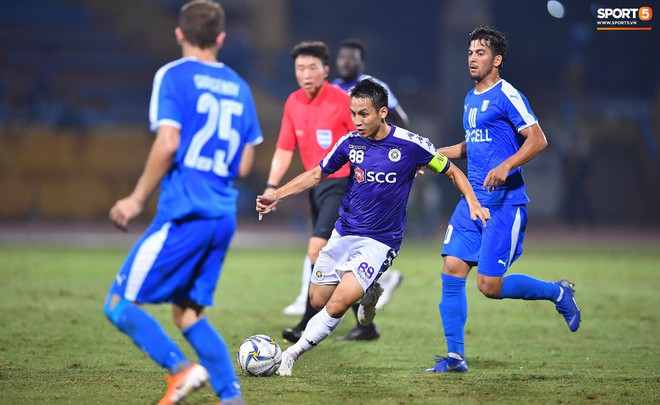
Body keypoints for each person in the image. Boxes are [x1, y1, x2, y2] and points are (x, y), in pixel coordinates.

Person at [256, 78, 490, 377]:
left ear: (382, 112)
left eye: (363, 114)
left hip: (380, 242)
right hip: (344, 233)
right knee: (317, 298)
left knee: (338, 303)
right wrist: (276, 193)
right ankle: (370, 295)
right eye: (353, 113)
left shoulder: (411, 145)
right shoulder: (349, 143)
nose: (356, 121)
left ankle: (291, 354)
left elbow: (452, 171)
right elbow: (316, 174)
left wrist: (472, 202)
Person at [103, 1, 262, 404]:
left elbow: (169, 140)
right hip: (223, 215)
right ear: (222, 39)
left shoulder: (173, 76)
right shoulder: (241, 87)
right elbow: (244, 163)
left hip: (185, 212)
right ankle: (232, 398)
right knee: (188, 313)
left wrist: (138, 198)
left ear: (179, 34)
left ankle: (181, 370)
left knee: (119, 303)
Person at [426, 26, 581, 374]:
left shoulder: (507, 95)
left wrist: (507, 164)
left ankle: (558, 293)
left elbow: (538, 140)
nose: (472, 58)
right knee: (451, 270)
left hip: (504, 205)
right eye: (469, 52)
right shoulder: (470, 98)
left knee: (489, 287)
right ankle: (455, 357)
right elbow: (472, 146)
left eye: (480, 53)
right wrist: (435, 154)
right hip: (471, 202)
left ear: (496, 60)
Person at [263, 41, 354, 345]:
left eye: (312, 67)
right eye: (300, 68)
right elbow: (283, 149)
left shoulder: (342, 101)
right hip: (314, 186)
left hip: (343, 184)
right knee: (335, 254)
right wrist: (271, 186)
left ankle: (306, 321)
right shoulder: (292, 103)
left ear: (326, 70)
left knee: (317, 249)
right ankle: (362, 310)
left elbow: (365, 135)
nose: (306, 73)